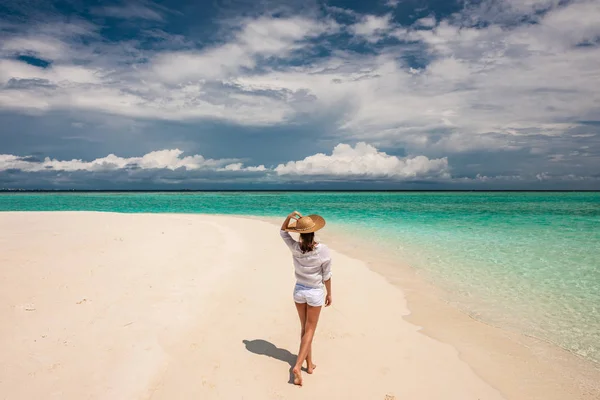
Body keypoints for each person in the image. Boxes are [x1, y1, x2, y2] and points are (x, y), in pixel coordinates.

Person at [280, 210, 332, 386]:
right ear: (313, 232)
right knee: (310, 331)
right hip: (315, 292)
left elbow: (282, 232)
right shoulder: (322, 250)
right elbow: (327, 275)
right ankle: (298, 366)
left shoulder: (295, 248)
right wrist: (330, 293)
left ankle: (309, 365)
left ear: (300, 234)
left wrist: (291, 217)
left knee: (304, 329)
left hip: (299, 292)